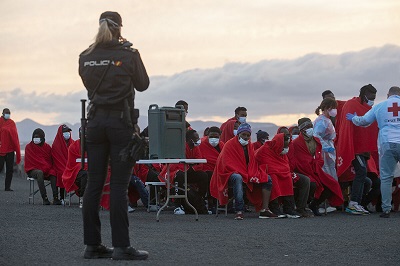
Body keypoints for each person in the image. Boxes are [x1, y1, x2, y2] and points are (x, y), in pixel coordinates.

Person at [78, 11, 149, 260]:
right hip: (120, 122)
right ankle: (121, 246)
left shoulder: (85, 56)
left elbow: (89, 84)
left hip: (95, 123)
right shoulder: (128, 55)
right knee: (118, 185)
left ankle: (92, 245)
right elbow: (143, 84)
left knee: (94, 184)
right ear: (120, 28)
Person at [346, 86, 400, 218]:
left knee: (386, 178)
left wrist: (353, 118)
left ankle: (386, 209)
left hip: (387, 144)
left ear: (388, 95)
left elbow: (363, 121)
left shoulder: (380, 106)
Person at [210, 123, 278, 220]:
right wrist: (242, 172)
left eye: (248, 135)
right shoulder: (229, 145)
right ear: (238, 134)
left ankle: (264, 209)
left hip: (246, 172)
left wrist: (253, 172)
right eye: (243, 135)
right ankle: (239, 210)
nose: (246, 137)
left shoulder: (249, 145)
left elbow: (252, 162)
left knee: (267, 179)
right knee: (238, 178)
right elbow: (226, 163)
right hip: (229, 174)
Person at [336, 84, 379, 215]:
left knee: (363, 174)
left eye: (374, 98)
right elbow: (346, 126)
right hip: (354, 147)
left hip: (364, 148)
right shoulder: (351, 104)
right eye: (371, 97)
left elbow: (369, 123)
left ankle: (357, 203)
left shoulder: (369, 108)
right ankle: (353, 203)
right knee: (361, 172)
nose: (372, 100)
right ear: (364, 94)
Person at [288, 118, 343, 216]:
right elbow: (297, 160)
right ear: (302, 129)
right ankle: (303, 205)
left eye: (311, 126)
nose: (310, 129)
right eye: (307, 127)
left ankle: (315, 204)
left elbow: (319, 156)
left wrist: (317, 163)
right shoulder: (295, 143)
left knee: (332, 184)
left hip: (315, 169)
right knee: (312, 183)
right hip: (303, 170)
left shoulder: (316, 140)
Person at [158, 129, 209, 215]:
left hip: (188, 171)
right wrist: (191, 164)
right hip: (174, 172)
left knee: (203, 176)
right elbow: (177, 163)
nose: (198, 140)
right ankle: (177, 205)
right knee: (180, 175)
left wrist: (191, 167)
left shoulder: (195, 148)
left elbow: (200, 163)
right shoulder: (180, 148)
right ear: (190, 140)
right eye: (196, 139)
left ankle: (199, 200)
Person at [256, 133, 300, 218]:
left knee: (288, 177)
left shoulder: (281, 153)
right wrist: (280, 170)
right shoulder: (265, 149)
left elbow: (286, 165)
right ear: (279, 144)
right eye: (284, 146)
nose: (286, 149)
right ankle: (274, 207)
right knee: (273, 177)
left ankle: (288, 208)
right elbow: (267, 165)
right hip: (267, 172)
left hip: (281, 172)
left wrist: (282, 171)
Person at [24, 128, 60, 205]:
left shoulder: (47, 147)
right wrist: (43, 167)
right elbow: (30, 161)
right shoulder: (29, 147)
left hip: (46, 169)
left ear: (42, 138)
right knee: (39, 173)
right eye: (34, 137)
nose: (36, 139)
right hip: (33, 169)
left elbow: (50, 161)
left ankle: (56, 198)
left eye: (38, 137)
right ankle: (45, 198)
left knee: (53, 173)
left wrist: (46, 167)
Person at [198, 126, 225, 211]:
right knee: (210, 176)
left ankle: (224, 202)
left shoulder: (222, 145)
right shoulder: (201, 143)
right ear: (207, 135)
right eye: (211, 136)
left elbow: (224, 158)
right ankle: (211, 202)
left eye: (216, 137)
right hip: (206, 168)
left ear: (220, 136)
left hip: (219, 169)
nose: (214, 138)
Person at [62, 128, 87, 208]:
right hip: (76, 171)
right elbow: (71, 163)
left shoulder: (94, 146)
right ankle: (82, 198)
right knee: (85, 175)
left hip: (91, 170)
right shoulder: (73, 146)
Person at [313, 98, 338, 180]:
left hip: (328, 148)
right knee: (327, 171)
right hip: (324, 151)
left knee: (331, 169)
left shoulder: (326, 120)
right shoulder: (322, 121)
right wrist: (325, 146)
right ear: (327, 108)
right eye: (333, 107)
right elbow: (316, 135)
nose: (334, 110)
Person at [52, 124, 74, 204]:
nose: (67, 133)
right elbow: (57, 159)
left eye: (68, 131)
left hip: (71, 166)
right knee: (62, 172)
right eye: (65, 132)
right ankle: (61, 197)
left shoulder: (73, 143)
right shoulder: (56, 145)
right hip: (59, 167)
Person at [0, 108, 21, 191]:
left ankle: (7, 187)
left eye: (9, 113)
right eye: (6, 113)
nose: (7, 114)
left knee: (10, 169)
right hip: (1, 149)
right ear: (3, 113)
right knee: (0, 167)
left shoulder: (12, 123)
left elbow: (15, 135)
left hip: (10, 150)